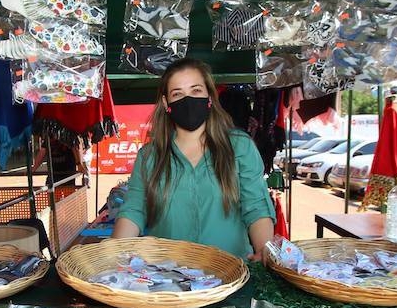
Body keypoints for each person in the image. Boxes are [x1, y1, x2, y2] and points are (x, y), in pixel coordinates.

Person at [112, 58, 275, 261]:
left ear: (209, 97)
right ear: (166, 103)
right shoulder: (149, 156)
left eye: (196, 90)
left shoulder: (240, 147)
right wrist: (114, 254)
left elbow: (256, 206)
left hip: (231, 271)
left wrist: (264, 250)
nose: (187, 99)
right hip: (166, 274)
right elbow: (134, 210)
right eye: (177, 93)